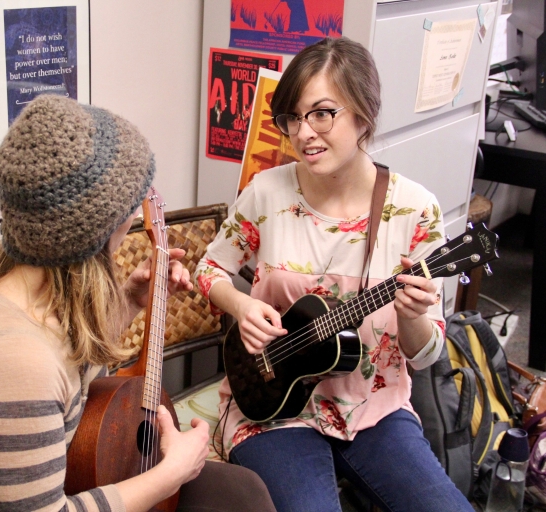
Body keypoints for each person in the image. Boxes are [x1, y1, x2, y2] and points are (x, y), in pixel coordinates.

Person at [0, 94, 276, 512]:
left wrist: (130, 299)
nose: (136, 211)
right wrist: (170, 472)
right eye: (129, 206)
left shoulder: (41, 287)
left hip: (73, 468)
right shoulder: (12, 359)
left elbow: (67, 365)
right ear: (91, 233)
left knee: (244, 494)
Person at [194, 37, 474, 512]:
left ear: (363, 113)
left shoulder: (413, 210)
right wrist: (241, 306)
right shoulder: (266, 192)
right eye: (293, 118)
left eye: (322, 113)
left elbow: (425, 356)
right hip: (272, 403)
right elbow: (210, 268)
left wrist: (412, 315)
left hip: (374, 407)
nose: (304, 133)